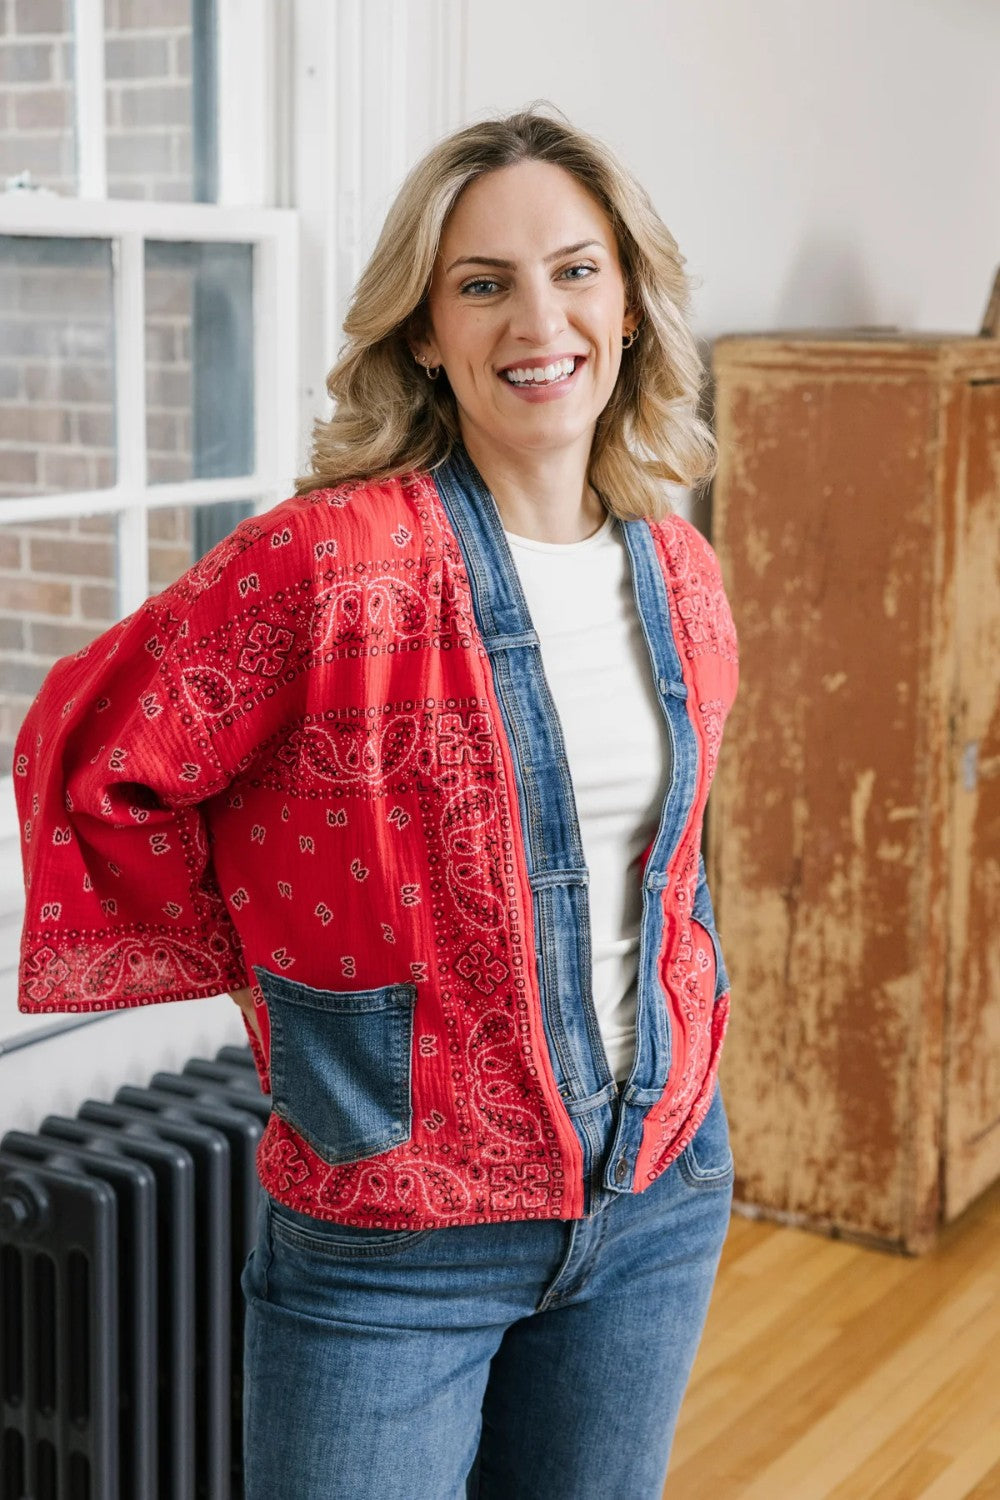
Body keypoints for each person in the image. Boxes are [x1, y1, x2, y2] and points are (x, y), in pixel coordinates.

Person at [14, 103, 739, 1499]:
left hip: (658, 1196)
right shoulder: (329, 564)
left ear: (631, 303)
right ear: (424, 331)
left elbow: (669, 869)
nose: (540, 319)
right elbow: (90, 750)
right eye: (485, 283)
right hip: (395, 1239)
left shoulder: (681, 570)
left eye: (576, 271)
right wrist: (283, 979)